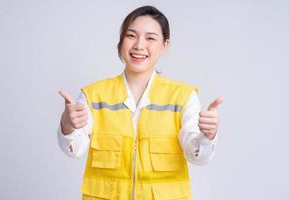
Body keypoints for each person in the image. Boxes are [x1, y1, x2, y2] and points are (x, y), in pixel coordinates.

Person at [57, 5, 224, 200]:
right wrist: (67, 125)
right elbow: (74, 150)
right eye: (131, 35)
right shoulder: (94, 95)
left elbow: (197, 156)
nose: (139, 45)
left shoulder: (183, 97)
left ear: (164, 45)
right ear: (121, 41)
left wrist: (208, 136)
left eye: (150, 38)